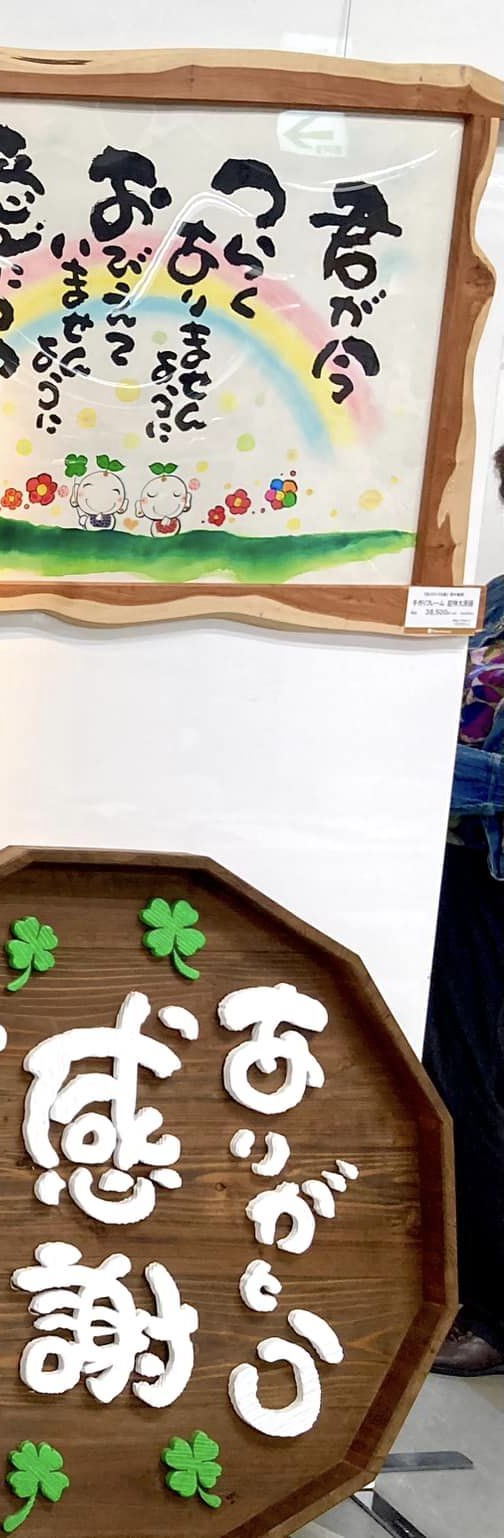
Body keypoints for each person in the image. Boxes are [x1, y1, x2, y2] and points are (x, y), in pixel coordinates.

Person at [424, 445, 504, 1378]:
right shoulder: (490, 603)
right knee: (456, 1076)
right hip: (456, 871)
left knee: (478, 1087)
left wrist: (426, 763)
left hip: (491, 880)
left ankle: (492, 1309)